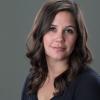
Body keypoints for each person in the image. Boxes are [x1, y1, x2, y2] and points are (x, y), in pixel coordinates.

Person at [21, 0, 100, 100]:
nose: (60, 38)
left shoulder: (88, 84)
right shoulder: (31, 81)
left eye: (68, 31)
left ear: (77, 37)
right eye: (52, 28)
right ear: (41, 33)